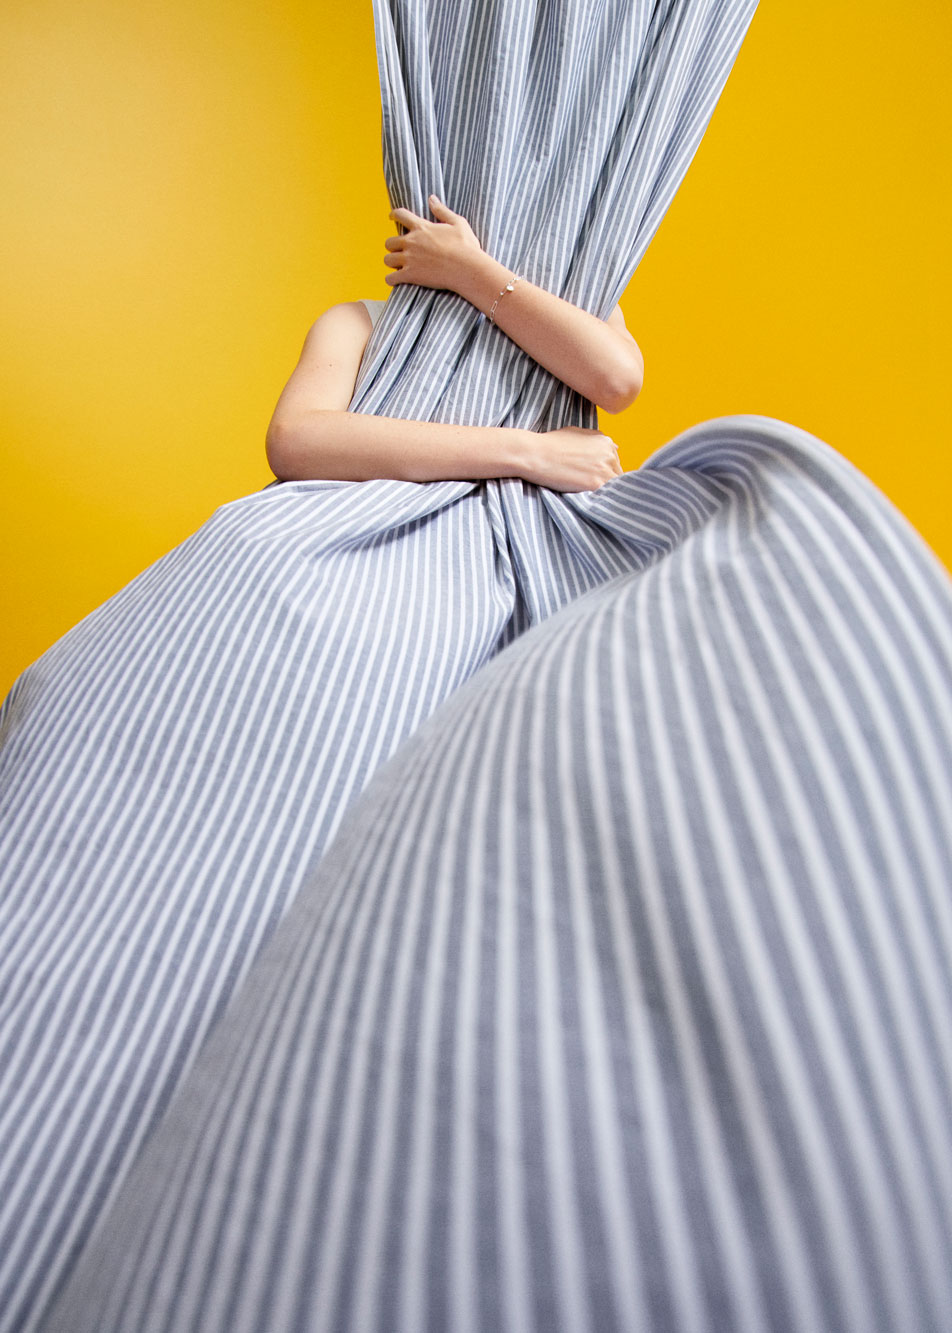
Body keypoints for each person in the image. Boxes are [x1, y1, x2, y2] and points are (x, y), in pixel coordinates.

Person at [265, 194, 643, 492]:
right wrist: (532, 453)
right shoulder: (356, 322)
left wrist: (470, 271)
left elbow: (618, 381)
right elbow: (294, 439)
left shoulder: (579, 299)